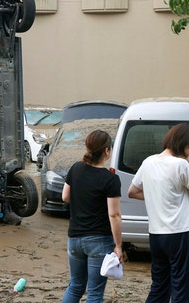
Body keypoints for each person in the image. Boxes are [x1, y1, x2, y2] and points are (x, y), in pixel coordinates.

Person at [127, 122, 189, 303]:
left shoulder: (148, 162)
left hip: (156, 234)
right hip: (180, 232)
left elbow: (132, 191)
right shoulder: (181, 165)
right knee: (181, 288)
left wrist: (157, 196)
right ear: (186, 145)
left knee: (160, 286)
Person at [61, 129, 123, 303]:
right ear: (106, 151)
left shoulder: (76, 168)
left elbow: (65, 197)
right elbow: (114, 214)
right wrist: (118, 246)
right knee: (95, 293)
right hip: (99, 240)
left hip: (74, 238)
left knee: (75, 286)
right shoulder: (110, 179)